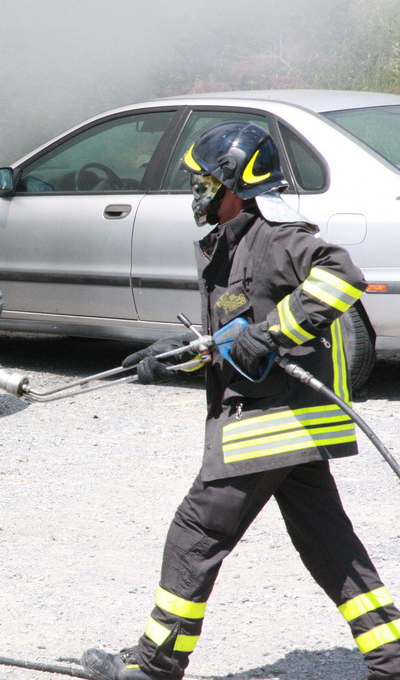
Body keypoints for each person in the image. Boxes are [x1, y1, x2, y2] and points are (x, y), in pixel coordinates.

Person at [80, 121, 400, 680]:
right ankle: (392, 656)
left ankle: (155, 665)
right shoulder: (232, 243)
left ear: (234, 185)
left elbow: (342, 274)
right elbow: (232, 340)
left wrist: (274, 333)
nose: (196, 193)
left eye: (204, 183)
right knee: (329, 543)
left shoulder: (275, 237)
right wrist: (176, 355)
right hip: (295, 428)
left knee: (195, 533)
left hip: (266, 425)